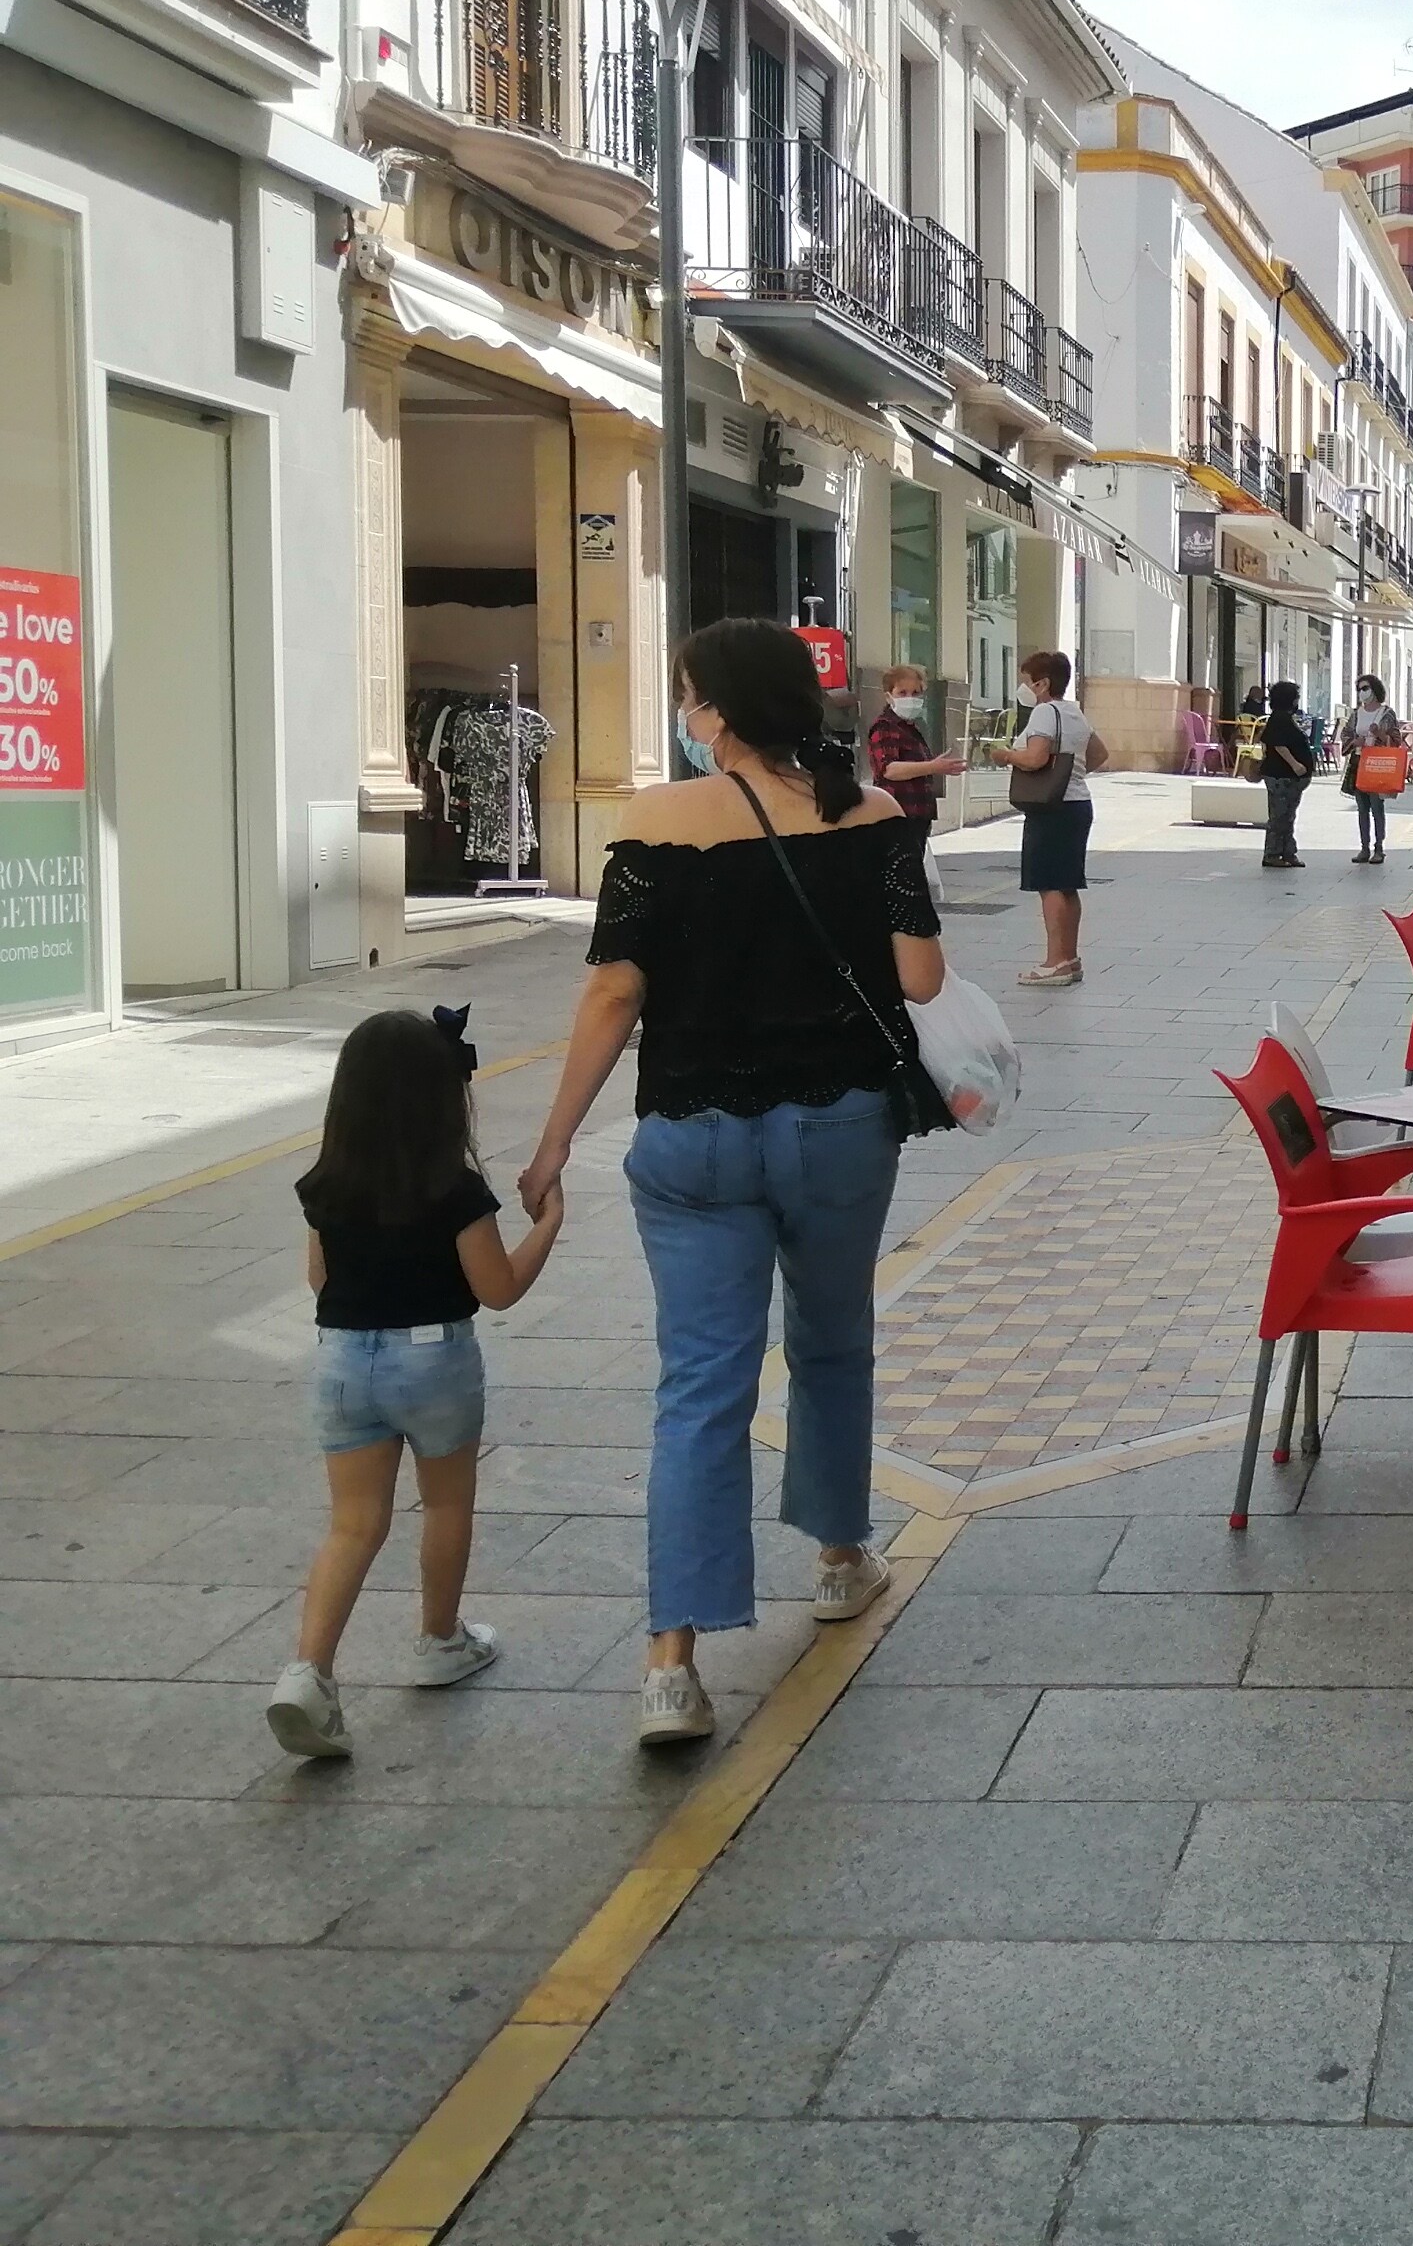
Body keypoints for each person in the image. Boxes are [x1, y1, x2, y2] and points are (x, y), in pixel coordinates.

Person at [519, 619, 947, 1745]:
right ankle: (842, 1558)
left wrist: (557, 1137)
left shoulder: (655, 824)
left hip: (692, 1136)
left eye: (688, 698)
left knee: (699, 1386)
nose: (686, 717)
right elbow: (921, 973)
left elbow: (614, 994)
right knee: (832, 1339)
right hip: (843, 1127)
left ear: (715, 709)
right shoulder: (871, 814)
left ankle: (672, 1664)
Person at [266, 1008, 566, 1759]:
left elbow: (317, 1279)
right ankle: (438, 1641)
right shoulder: (455, 1190)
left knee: (353, 1524)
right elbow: (496, 1289)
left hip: (342, 1361)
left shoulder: (324, 1185)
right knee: (446, 1502)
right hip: (432, 1361)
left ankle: (309, 1674)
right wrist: (548, 1227)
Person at [988, 649, 1103, 988]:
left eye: (1028, 682)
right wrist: (1072, 773)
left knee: (1049, 885)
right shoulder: (1074, 713)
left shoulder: (1043, 713)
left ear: (1043, 683)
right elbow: (1099, 753)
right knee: (1068, 884)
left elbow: (1036, 758)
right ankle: (1071, 957)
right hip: (1078, 803)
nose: (1026, 688)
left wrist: (1006, 755)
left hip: (1051, 808)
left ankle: (1054, 961)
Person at [864, 668, 964, 856]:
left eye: (916, 693)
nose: (910, 698)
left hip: (917, 815)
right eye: (902, 693)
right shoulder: (885, 726)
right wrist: (933, 766)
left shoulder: (910, 728)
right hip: (897, 814)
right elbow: (889, 769)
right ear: (888, 696)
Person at [1344, 672, 1404, 864]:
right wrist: (1355, 741)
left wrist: (1380, 734)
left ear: (1375, 690)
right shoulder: (1356, 714)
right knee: (1362, 808)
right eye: (1359, 689)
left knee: (1377, 807)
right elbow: (1346, 735)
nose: (1362, 692)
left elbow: (1396, 739)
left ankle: (1379, 848)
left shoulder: (1386, 714)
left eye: (1365, 688)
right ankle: (1364, 847)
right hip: (1358, 763)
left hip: (1378, 764)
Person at [1258, 678, 1314, 870]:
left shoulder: (1284, 717)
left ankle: (1288, 852)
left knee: (1288, 816)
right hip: (1281, 776)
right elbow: (1278, 744)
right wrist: (1296, 764)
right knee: (1279, 816)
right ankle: (1273, 853)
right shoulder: (1279, 719)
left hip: (1290, 778)